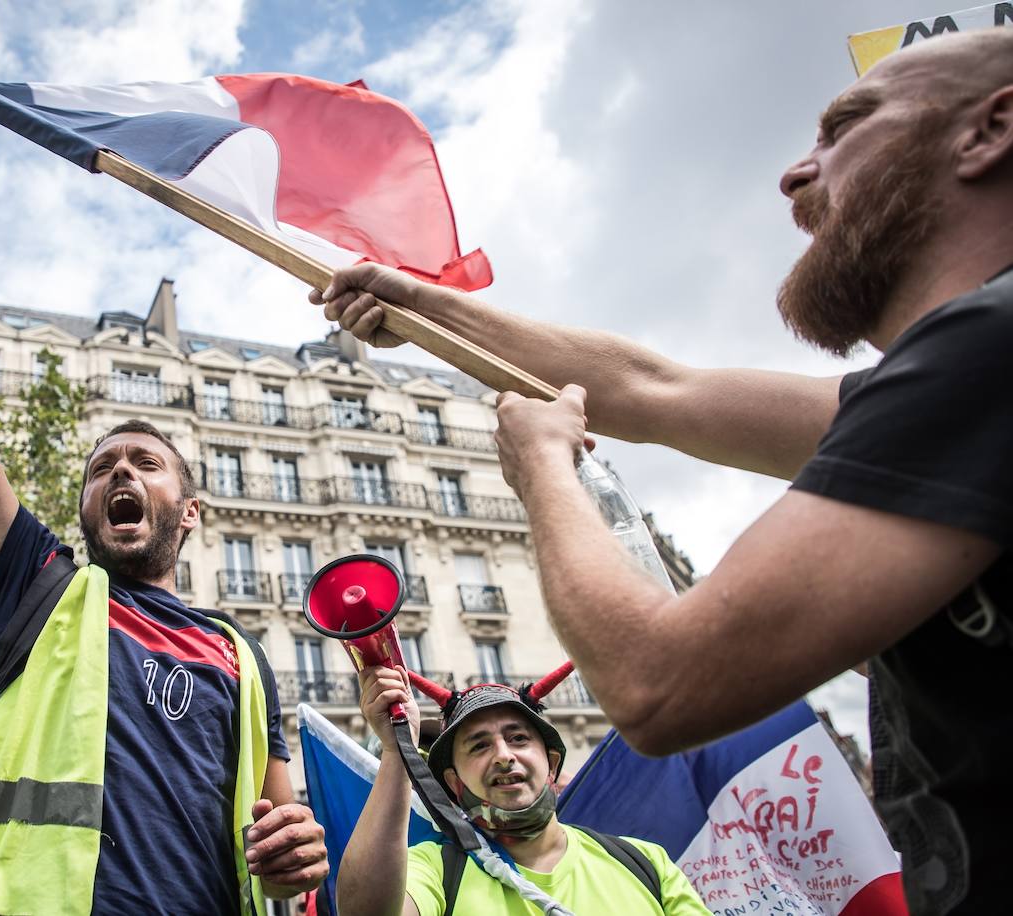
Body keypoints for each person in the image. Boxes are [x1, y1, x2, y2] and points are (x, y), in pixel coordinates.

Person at [314, 28, 1013, 915]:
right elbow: (653, 389)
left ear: (991, 130)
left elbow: (656, 683)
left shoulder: (985, 356)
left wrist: (543, 469)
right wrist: (427, 311)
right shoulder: (942, 385)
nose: (795, 175)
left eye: (847, 127)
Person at [0, 113, 327, 914]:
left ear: (189, 512)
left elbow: (281, 822)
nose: (119, 469)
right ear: (88, 507)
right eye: (101, 468)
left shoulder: (242, 657)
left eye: (144, 462)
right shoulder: (37, 589)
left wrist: (295, 851)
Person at [336, 667, 709, 916]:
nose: (503, 756)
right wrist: (395, 748)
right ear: (453, 783)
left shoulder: (646, 863)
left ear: (552, 764)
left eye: (517, 738)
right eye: (479, 746)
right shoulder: (432, 868)